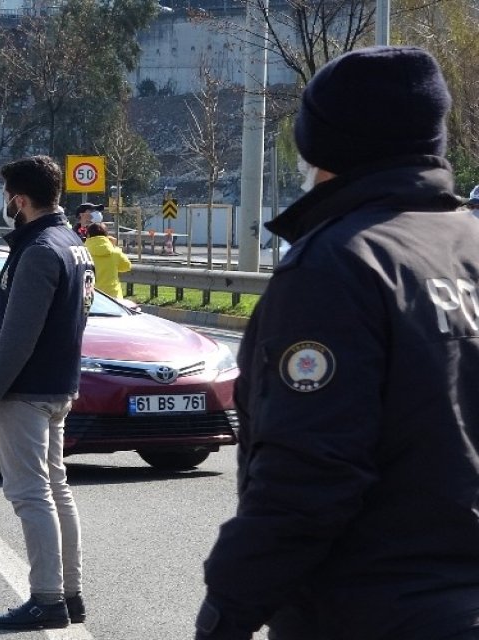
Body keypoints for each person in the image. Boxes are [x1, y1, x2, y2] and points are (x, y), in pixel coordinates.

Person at [196, 46, 479, 640]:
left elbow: (308, 473)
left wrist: (226, 612)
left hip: (373, 609)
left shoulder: (338, 265)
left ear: (320, 142)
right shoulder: (467, 246)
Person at [0, 155, 95, 631]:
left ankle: (47, 598)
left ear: (19, 199)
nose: (7, 204)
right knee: (56, 489)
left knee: (30, 493)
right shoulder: (72, 243)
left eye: (7, 196)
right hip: (59, 382)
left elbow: (18, 334)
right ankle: (69, 593)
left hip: (28, 388)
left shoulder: (40, 248)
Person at [84, 223, 130, 299]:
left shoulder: (83, 251)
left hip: (90, 296)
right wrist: (115, 247)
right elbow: (126, 267)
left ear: (88, 235)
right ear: (107, 235)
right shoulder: (115, 252)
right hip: (113, 298)